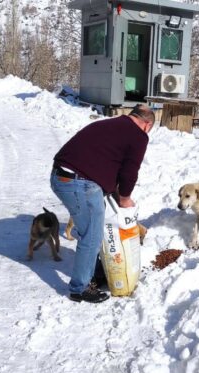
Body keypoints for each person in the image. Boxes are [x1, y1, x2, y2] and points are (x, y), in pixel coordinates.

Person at [51, 104, 154, 303]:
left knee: (94, 228)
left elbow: (107, 160)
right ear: (147, 124)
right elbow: (129, 172)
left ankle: (97, 271)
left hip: (62, 176)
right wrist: (124, 198)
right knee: (91, 235)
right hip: (78, 182)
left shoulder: (111, 124)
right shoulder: (138, 135)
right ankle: (79, 288)